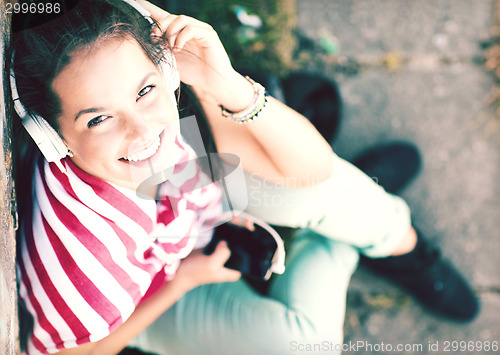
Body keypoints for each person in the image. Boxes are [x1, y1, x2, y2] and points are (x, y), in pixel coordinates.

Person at [10, 1, 479, 354]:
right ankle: (339, 239)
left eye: (146, 90)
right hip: (150, 292)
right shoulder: (84, 264)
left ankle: (403, 250)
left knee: (323, 185)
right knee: (307, 345)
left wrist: (224, 82)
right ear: (53, 139)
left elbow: (312, 170)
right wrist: (185, 280)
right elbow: (78, 351)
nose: (142, 131)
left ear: (166, 71)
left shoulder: (164, 124)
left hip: (188, 202)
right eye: (98, 119)